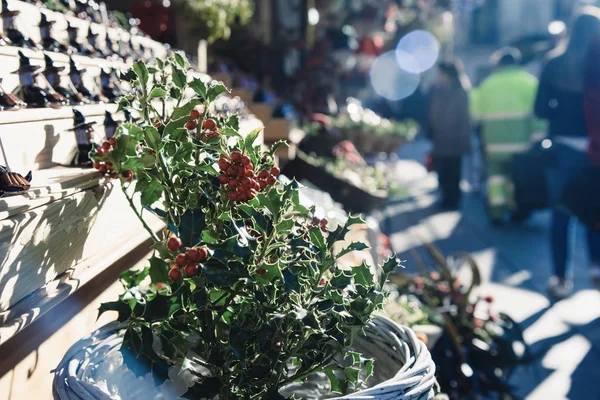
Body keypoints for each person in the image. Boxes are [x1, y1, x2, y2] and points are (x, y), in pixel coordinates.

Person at [535, 7, 600, 298]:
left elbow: (539, 109)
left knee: (562, 213)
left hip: (563, 148)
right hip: (596, 150)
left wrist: (560, 111)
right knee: (595, 211)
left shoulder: (555, 64)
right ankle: (597, 269)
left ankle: (561, 279)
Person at [470, 47, 543, 224]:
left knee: (496, 179)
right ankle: (517, 211)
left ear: (499, 64)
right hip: (521, 144)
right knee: (517, 179)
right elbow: (538, 115)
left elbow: (475, 116)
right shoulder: (530, 82)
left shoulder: (486, 85)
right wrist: (538, 138)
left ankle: (496, 212)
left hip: (494, 144)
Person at [427, 59, 471, 209]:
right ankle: (445, 197)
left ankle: (452, 200)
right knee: (442, 172)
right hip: (440, 139)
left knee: (453, 172)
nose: (438, 76)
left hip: (455, 140)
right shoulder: (436, 90)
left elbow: (465, 118)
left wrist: (465, 141)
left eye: (440, 73)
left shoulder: (460, 90)